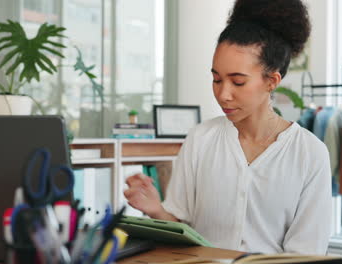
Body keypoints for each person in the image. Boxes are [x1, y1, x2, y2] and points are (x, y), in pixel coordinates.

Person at [124, 0, 331, 255]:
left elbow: (306, 255)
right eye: (216, 79)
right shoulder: (201, 139)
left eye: (238, 82)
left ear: (272, 81)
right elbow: (183, 232)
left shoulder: (310, 154)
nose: (223, 94)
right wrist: (156, 209)